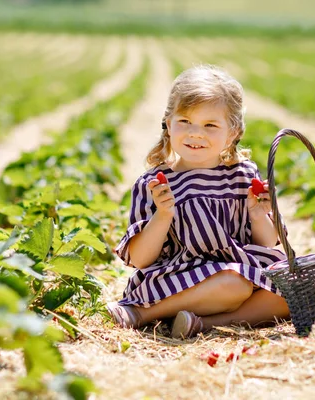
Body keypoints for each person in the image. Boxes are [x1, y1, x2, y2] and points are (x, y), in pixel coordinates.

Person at [107, 64, 291, 339]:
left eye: (210, 125)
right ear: (168, 124)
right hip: (178, 278)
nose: (195, 133)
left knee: (292, 292)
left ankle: (199, 324)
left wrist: (257, 215)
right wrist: (163, 215)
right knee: (234, 285)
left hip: (241, 268)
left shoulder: (244, 175)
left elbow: (266, 243)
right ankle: (141, 314)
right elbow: (140, 259)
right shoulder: (156, 183)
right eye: (185, 122)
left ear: (233, 132)